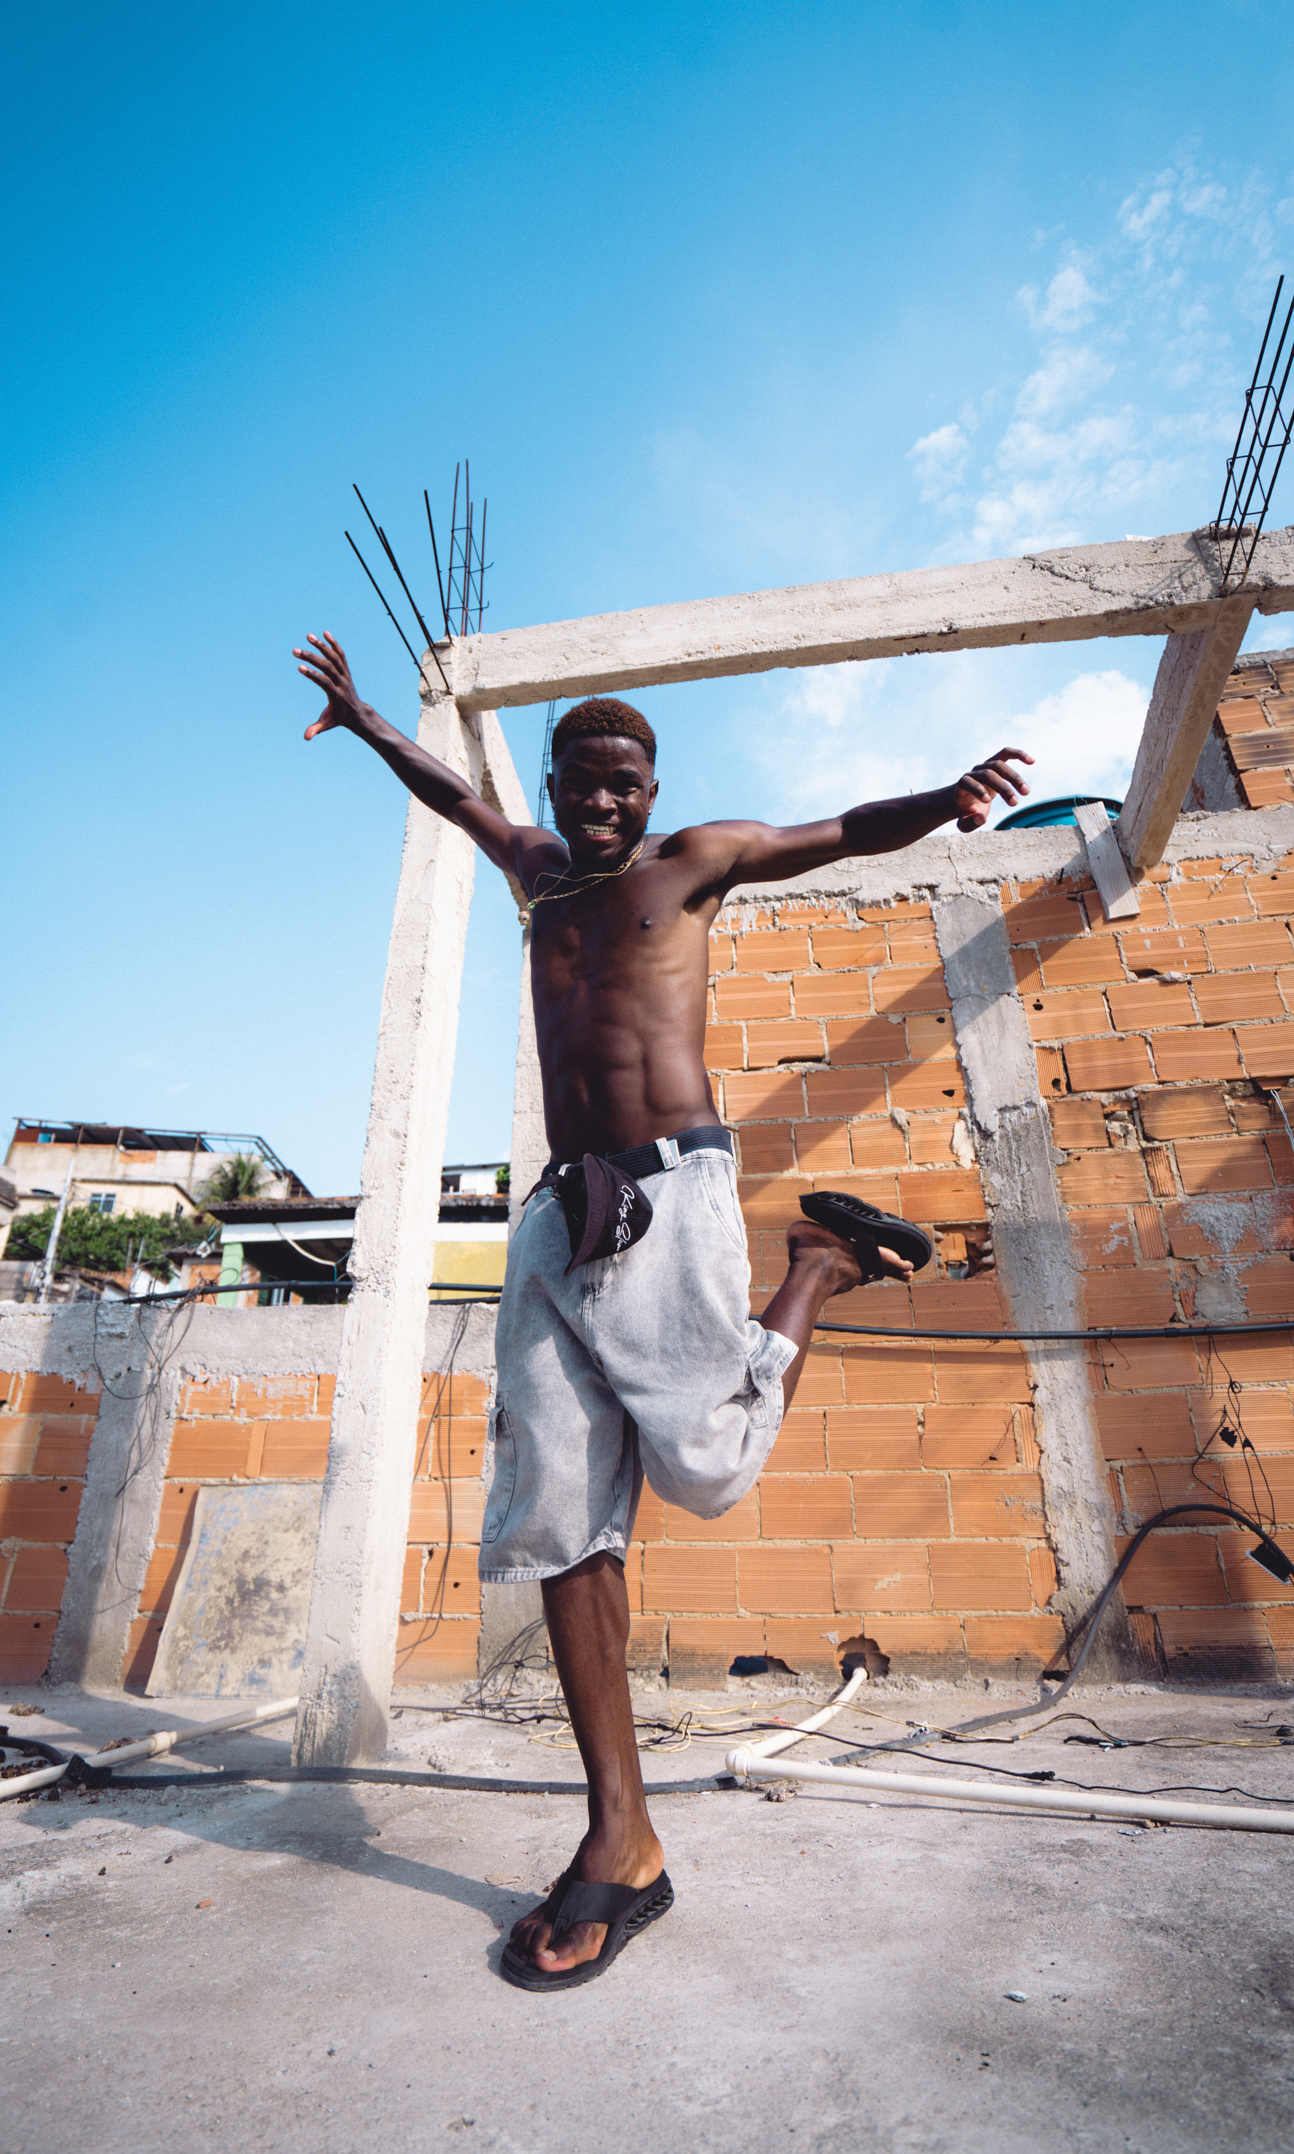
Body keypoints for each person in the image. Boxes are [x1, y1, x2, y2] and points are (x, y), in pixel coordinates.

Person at [295, 630, 1032, 1989]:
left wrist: (943, 799)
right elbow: (458, 799)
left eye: (621, 781)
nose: (598, 801)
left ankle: (810, 1271)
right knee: (560, 1519)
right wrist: (363, 724)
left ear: (651, 785)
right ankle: (618, 1840)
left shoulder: (696, 861)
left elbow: (842, 828)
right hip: (557, 1216)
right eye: (580, 778)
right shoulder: (536, 879)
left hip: (674, 1196)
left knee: (709, 1472)